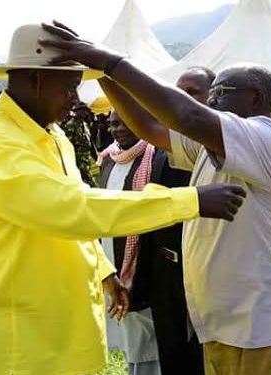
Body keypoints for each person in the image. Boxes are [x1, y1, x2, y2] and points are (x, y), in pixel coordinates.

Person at [0, 24, 246, 375]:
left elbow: (69, 216)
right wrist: (190, 201)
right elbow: (72, 207)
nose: (75, 100)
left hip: (58, 330)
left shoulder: (52, 136)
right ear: (35, 79)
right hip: (15, 342)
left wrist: (104, 271)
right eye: (69, 88)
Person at [40, 21, 271, 375]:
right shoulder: (211, 145)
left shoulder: (266, 139)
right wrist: (103, 75)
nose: (209, 100)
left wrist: (111, 61)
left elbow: (184, 114)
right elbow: (150, 127)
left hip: (264, 327)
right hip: (228, 325)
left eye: (219, 92)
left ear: (256, 99)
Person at [139, 66, 214, 375]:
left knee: (203, 352)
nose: (181, 98)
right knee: (170, 348)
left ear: (214, 98)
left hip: (205, 270)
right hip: (164, 270)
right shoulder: (156, 147)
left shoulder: (219, 150)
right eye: (178, 90)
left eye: (193, 92)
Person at [98, 111, 164, 375]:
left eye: (126, 121)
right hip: (112, 254)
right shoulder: (107, 159)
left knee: (146, 334)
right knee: (128, 332)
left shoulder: (155, 157)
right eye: (113, 123)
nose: (118, 129)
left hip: (144, 262)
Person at [61, 101, 98, 186]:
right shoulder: (70, 125)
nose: (84, 113)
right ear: (76, 111)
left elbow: (90, 143)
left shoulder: (85, 125)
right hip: (77, 161)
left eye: (85, 110)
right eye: (82, 110)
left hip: (86, 160)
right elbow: (67, 146)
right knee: (90, 184)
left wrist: (96, 158)